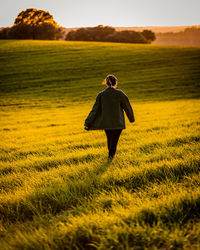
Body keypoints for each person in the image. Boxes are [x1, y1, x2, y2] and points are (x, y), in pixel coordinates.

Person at [84, 74, 135, 160]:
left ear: (106, 83)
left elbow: (95, 110)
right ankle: (111, 157)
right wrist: (131, 119)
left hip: (106, 123)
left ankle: (110, 157)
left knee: (110, 139)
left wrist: (87, 123)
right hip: (118, 123)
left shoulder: (101, 95)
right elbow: (127, 107)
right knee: (114, 141)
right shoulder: (120, 94)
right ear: (116, 83)